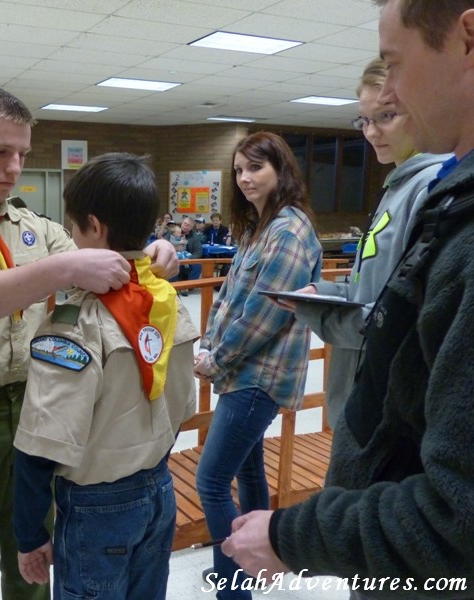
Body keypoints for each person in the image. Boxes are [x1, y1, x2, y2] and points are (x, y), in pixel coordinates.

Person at [223, 1, 474, 596]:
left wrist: (293, 536)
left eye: (395, 63)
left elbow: (456, 515)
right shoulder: (450, 198)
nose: (392, 91)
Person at [0, 84, 177, 600]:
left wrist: (150, 247)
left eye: (22, 153)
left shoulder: (34, 227)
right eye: (0, 152)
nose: (14, 167)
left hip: (36, 408)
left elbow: (103, 256)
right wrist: (64, 266)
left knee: (32, 559)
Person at [12, 152, 199, 600]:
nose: (72, 239)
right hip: (159, 488)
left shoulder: (77, 322)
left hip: (98, 506)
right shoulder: (165, 299)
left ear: (94, 227)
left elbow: (44, 440)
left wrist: (28, 534)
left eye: (73, 228)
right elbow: (181, 409)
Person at [280, 58, 448, 427]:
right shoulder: (397, 185)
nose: (371, 133)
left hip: (392, 409)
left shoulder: (431, 188)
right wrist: (325, 291)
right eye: (364, 120)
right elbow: (380, 283)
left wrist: (321, 313)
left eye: (386, 117)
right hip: (360, 397)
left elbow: (407, 316)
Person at [192, 131, 322, 598]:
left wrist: (218, 357)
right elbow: (229, 297)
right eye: (238, 170)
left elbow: (264, 313)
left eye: (255, 168)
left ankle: (233, 586)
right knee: (247, 472)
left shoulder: (289, 229)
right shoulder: (258, 226)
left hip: (258, 377)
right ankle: (253, 568)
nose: (245, 178)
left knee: (209, 479)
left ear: (280, 170)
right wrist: (208, 346)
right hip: (238, 372)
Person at [174, 216, 205, 294]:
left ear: (191, 228)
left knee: (198, 264)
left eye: (188, 225)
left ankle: (188, 287)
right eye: (184, 223)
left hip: (188, 259)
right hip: (175, 257)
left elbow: (198, 252)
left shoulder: (195, 237)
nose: (185, 226)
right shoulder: (173, 232)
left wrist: (190, 258)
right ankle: (174, 285)